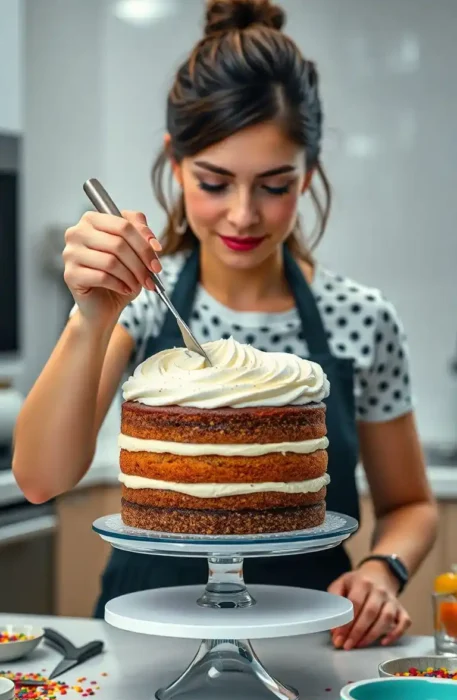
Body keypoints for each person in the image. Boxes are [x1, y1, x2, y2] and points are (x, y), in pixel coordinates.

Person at [13, 0, 437, 650]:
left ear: (309, 176)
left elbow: (409, 503)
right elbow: (40, 479)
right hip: (147, 652)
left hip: (312, 653)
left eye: (273, 185)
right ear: (175, 164)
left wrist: (384, 569)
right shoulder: (144, 308)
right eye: (214, 182)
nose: (242, 214)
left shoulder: (361, 318)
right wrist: (91, 315)